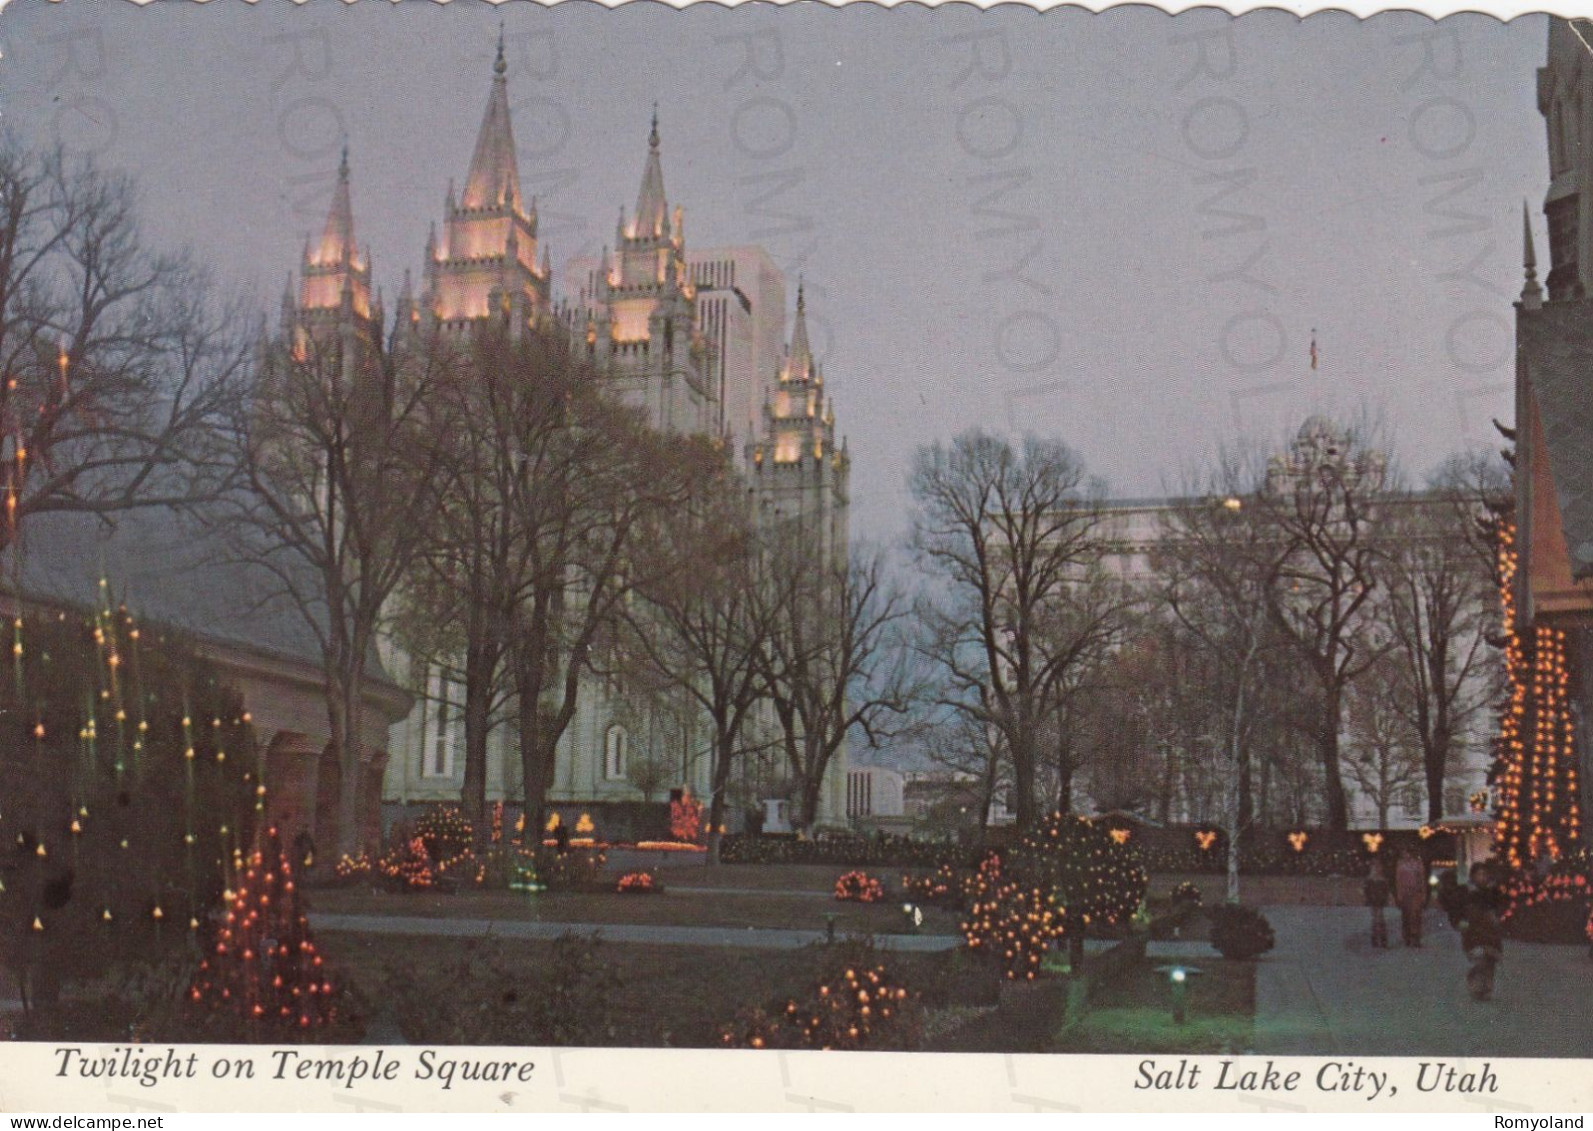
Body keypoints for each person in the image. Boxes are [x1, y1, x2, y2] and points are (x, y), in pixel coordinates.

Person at [1458, 862, 1506, 1001]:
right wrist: (1462, 922)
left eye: (1484, 874)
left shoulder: (1492, 892)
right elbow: (1460, 910)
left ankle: (1486, 988)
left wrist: (1497, 919)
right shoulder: (1467, 893)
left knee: (1491, 960)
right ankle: (1476, 984)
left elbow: (1499, 908)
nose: (1482, 877)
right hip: (1474, 934)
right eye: (1479, 874)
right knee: (1480, 960)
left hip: (1491, 933)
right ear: (1473, 876)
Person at [1394, 848, 1428, 947]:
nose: (1405, 855)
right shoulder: (1400, 864)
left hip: (1416, 892)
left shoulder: (1418, 863)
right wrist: (1399, 894)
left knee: (1416, 915)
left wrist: (1423, 894)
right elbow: (1398, 880)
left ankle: (1416, 937)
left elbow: (1422, 879)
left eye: (1407, 852)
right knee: (1406, 915)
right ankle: (1407, 937)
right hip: (1405, 893)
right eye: (1403, 853)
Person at [1362, 862, 1391, 948]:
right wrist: (1368, 899)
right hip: (1373, 901)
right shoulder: (1370, 880)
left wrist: (1385, 899)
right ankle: (1377, 939)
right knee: (1376, 920)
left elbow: (1386, 891)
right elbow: (1366, 891)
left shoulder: (1382, 880)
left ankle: (1381, 939)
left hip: (1379, 901)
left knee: (1379, 919)